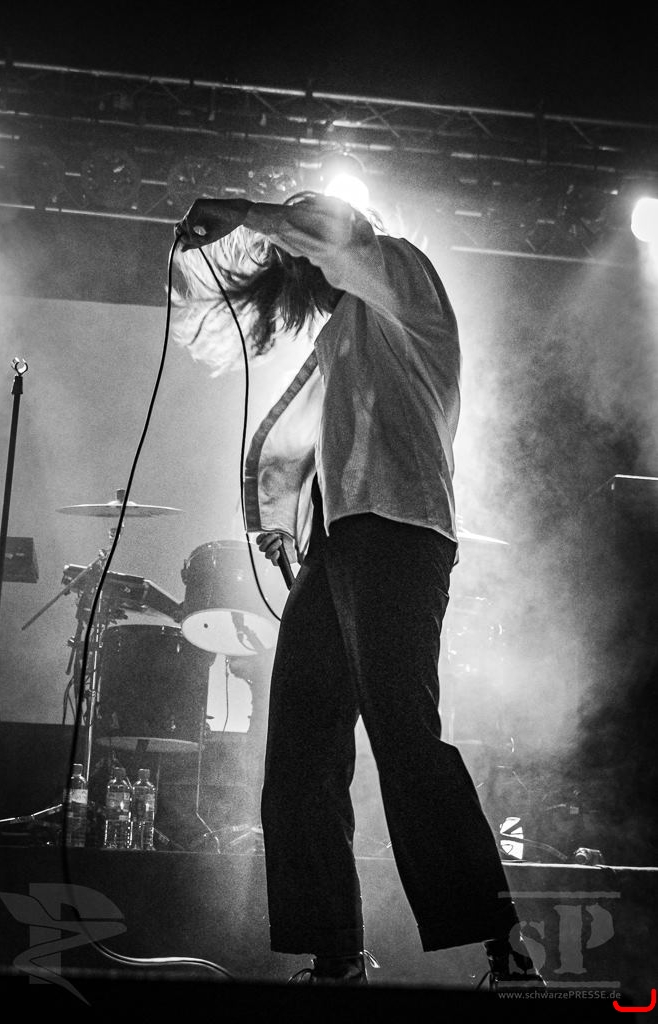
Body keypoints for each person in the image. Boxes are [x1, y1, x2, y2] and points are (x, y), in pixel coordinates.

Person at [172, 191, 545, 992]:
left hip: (401, 535)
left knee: (405, 739)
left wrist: (245, 211)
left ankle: (504, 947)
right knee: (300, 754)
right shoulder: (341, 331)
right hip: (339, 543)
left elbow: (335, 241)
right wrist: (285, 521)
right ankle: (335, 954)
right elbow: (309, 442)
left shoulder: (404, 278)